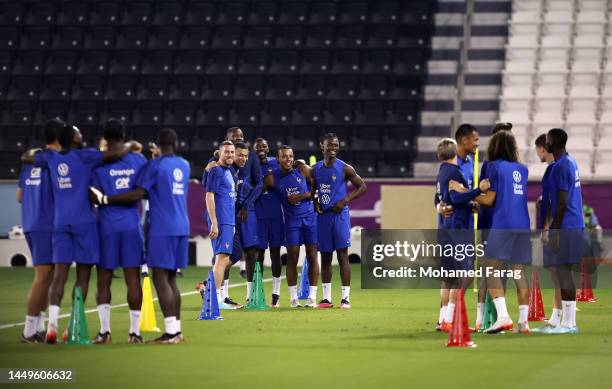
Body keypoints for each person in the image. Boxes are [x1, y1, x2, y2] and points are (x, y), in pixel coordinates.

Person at [21, 124, 141, 344]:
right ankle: (71, 327)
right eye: (79, 134)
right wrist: (131, 144)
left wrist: (31, 154)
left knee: (59, 276)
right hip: (84, 223)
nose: (82, 135)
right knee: (83, 276)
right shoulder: (85, 156)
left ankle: (52, 326)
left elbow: (27, 158)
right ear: (74, 139)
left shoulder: (50, 157)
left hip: (60, 223)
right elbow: (113, 153)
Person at [91, 129, 190, 344]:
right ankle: (169, 331)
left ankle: (169, 333)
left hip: (159, 228)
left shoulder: (152, 166)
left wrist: (106, 199)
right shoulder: (183, 164)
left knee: (158, 278)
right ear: (175, 142)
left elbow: (138, 193)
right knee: (169, 278)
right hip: (181, 226)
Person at [453, 130, 531, 333]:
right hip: (523, 223)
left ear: (495, 146)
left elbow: (489, 200)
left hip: (503, 223)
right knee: (518, 271)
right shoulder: (522, 169)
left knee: (490, 269)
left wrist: (464, 192)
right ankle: (524, 323)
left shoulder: (495, 166)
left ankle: (503, 317)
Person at [90, 119, 147, 344]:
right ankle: (135, 333)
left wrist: (105, 199)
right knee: (133, 279)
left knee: (103, 280)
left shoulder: (99, 162)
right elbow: (141, 193)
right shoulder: (137, 159)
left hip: (106, 226)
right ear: (124, 136)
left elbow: (92, 196)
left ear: (105, 137)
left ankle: (105, 332)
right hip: (131, 225)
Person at [435, 138, 489, 332]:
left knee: (448, 277)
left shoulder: (441, 172)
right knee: (464, 274)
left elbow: (440, 198)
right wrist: (477, 192)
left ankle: (441, 320)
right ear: (454, 151)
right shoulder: (454, 172)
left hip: (445, 228)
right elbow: (457, 197)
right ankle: (449, 318)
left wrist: (441, 207)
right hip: (458, 228)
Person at [535, 128, 585, 334]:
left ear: (553, 142)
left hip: (567, 225)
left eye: (547, 140)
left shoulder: (561, 166)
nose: (545, 143)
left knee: (564, 273)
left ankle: (569, 323)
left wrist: (555, 230)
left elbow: (562, 202)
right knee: (562, 272)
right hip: (572, 224)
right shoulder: (570, 162)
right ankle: (561, 320)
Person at [17, 119, 61, 343]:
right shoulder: (55, 160)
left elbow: (19, 196)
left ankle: (40, 326)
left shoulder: (31, 159)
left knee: (48, 277)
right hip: (47, 224)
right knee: (43, 278)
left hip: (32, 222)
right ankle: (28, 332)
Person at [312, 133, 366, 309]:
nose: (333, 148)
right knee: (326, 257)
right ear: (322, 146)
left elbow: (362, 186)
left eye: (336, 145)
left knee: (343, 255)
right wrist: (315, 203)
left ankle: (345, 298)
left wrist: (345, 200)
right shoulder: (316, 169)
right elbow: (312, 190)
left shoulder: (344, 168)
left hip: (340, 216)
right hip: (323, 218)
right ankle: (326, 298)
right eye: (330, 145)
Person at [264, 146, 320, 308]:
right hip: (291, 222)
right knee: (292, 258)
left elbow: (317, 185)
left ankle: (312, 297)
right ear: (278, 159)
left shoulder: (302, 169)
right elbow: (257, 188)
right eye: (284, 157)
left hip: (310, 218)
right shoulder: (273, 178)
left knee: (312, 256)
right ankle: (293, 298)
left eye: (290, 156)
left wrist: (302, 196)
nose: (288, 159)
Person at [473, 122, 512, 331]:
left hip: (490, 223)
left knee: (488, 270)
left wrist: (468, 196)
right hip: (501, 224)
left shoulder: (490, 165)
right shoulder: (515, 168)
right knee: (499, 271)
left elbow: (485, 195)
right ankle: (490, 317)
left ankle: (486, 318)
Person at [205, 141, 238, 309]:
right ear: (220, 153)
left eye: (232, 152)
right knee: (221, 259)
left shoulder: (228, 171)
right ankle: (217, 300)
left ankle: (214, 295)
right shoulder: (216, 171)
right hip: (221, 220)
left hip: (228, 220)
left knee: (223, 259)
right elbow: (209, 196)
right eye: (227, 152)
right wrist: (215, 223)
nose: (230, 155)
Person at [534, 133, 563, 329]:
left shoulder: (555, 170)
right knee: (555, 273)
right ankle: (557, 314)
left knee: (559, 272)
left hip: (557, 228)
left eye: (538, 150)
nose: (537, 154)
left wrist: (548, 229)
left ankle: (562, 316)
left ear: (543, 149)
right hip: (555, 227)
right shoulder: (554, 169)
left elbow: (559, 202)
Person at [254, 138, 285, 307]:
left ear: (268, 148)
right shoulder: (250, 164)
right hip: (258, 216)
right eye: (258, 147)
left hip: (275, 216)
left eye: (264, 146)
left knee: (275, 254)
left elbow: (291, 165)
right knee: (259, 255)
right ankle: (256, 292)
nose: (261, 149)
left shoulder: (276, 162)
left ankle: (276, 293)